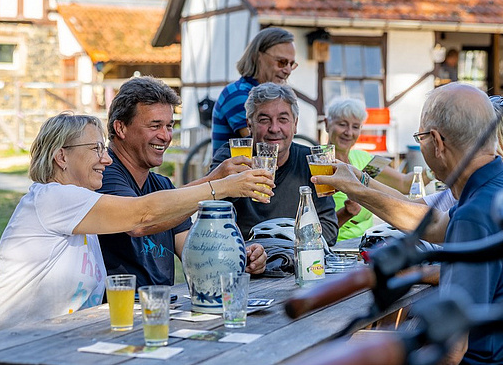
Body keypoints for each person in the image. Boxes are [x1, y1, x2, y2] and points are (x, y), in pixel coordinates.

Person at [314, 83, 503, 364]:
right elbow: (436, 224)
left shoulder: (474, 213)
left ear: (438, 142)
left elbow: (452, 350)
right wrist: (358, 184)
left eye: (420, 137)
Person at [0, 113, 273, 335]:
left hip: (56, 342)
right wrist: (220, 186)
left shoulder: (81, 207)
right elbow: (142, 215)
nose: (106, 159)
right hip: (12, 346)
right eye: (96, 149)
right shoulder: (52, 198)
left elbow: (160, 218)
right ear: (61, 156)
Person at [97, 77, 268, 287]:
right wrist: (219, 183)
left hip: (161, 309)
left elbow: (197, 255)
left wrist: (240, 255)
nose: (166, 136)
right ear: (121, 128)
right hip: (115, 314)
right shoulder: (103, 175)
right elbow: (139, 220)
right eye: (155, 125)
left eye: (169, 125)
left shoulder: (162, 185)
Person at [212, 82, 339, 245]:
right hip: (245, 261)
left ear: (295, 124)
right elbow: (213, 222)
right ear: (250, 125)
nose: (274, 128)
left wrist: (280, 250)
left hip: (295, 262)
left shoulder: (312, 162)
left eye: (283, 119)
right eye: (264, 120)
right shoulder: (230, 158)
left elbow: (328, 228)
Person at [324, 97, 422, 241]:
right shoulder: (317, 161)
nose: (349, 132)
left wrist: (434, 172)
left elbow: (405, 184)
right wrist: (346, 213)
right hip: (338, 245)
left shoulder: (365, 159)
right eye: (342, 124)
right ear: (326, 124)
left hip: (370, 241)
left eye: (355, 127)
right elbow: (315, 229)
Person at [211, 27, 296, 153]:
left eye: (291, 64)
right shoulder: (237, 94)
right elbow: (267, 146)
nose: (288, 70)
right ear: (258, 56)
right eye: (282, 62)